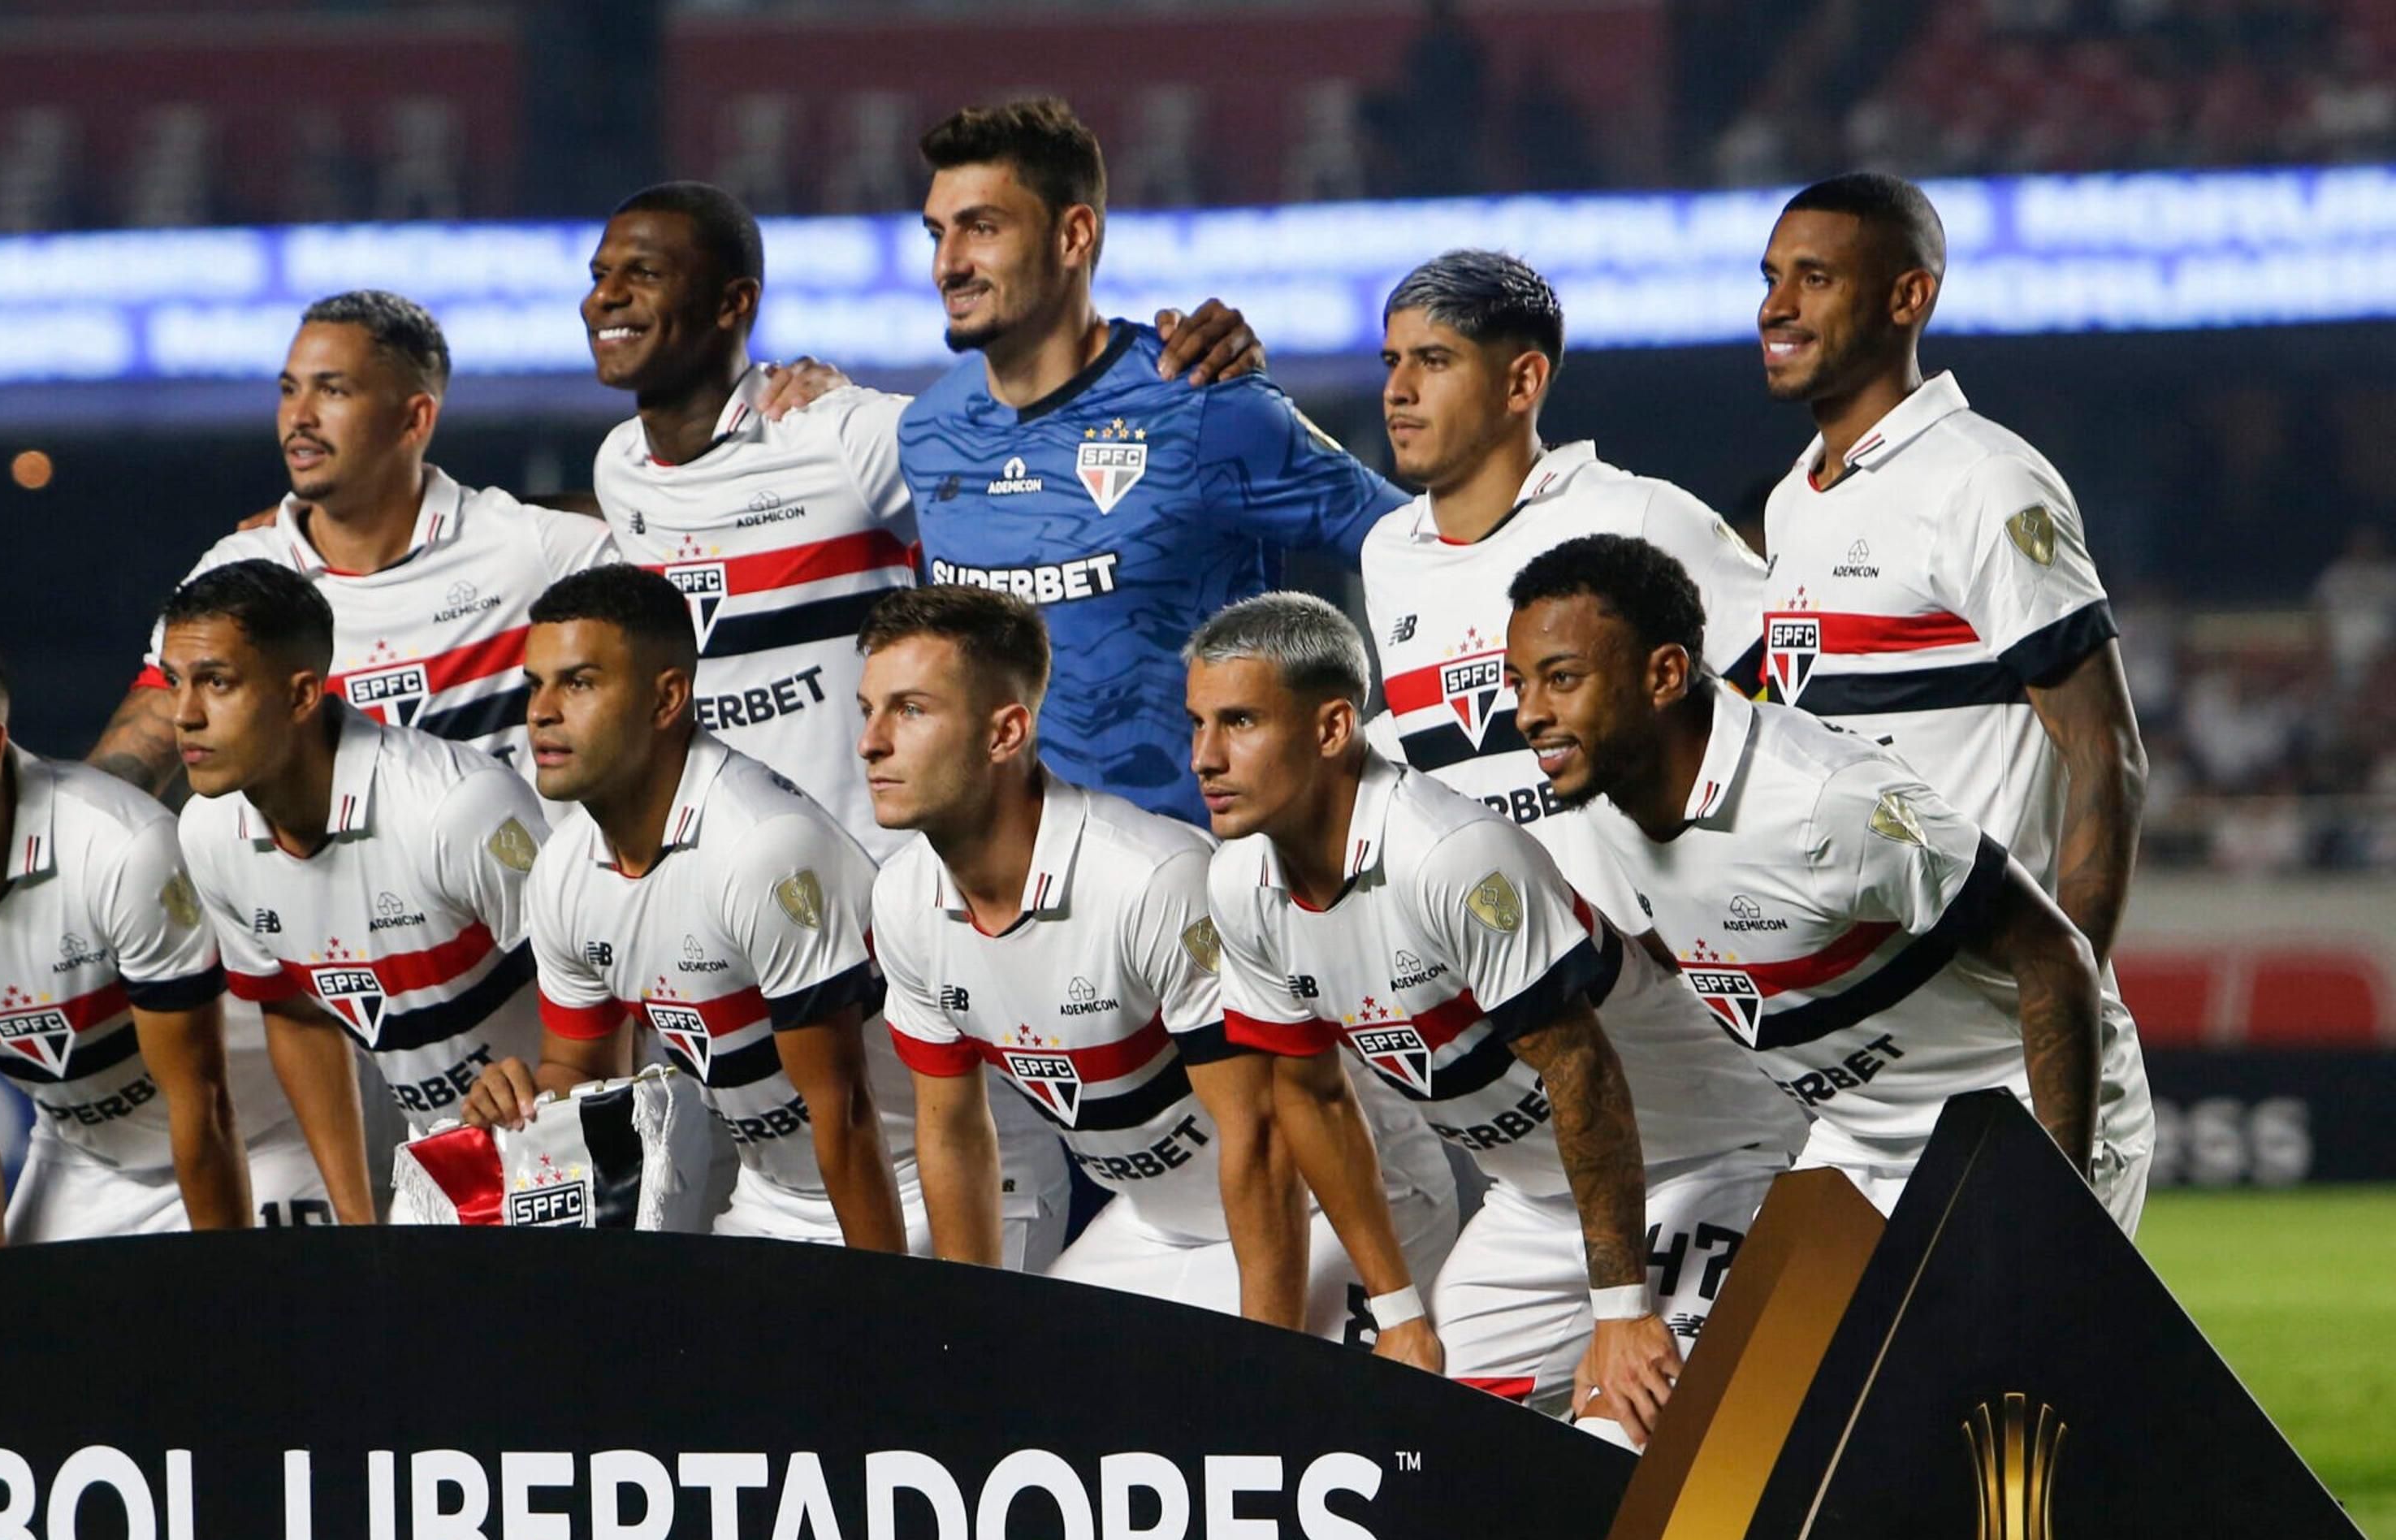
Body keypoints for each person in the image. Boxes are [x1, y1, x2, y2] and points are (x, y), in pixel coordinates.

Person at [1191, 592, 1803, 1442]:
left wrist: (1620, 1311)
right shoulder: (1238, 885)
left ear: (1333, 728)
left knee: (1625, 1436)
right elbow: (1312, 1095)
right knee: (1421, 1454)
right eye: (1198, 725)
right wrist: (1400, 1310)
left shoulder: (1445, 855)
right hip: (1533, 1208)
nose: (1206, 758)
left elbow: (1579, 1070)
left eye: (1240, 722)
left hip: (1709, 1160)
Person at [584, 177, 1266, 855]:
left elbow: (1029, 450)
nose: (605, 296)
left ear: (735, 303)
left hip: (878, 886)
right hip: (721, 889)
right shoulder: (618, 469)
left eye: (642, 273)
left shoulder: (839, 438)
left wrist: (1183, 382)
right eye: (600, 274)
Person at [858, 585, 1457, 1333]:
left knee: (1253, 1432)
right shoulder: (902, 898)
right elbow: (953, 1131)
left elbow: (1263, 1132)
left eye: (910, 710)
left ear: (1005, 732)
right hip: (1156, 1228)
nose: (871, 742)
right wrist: (969, 1333)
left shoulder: (1151, 879)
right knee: (1030, 1413)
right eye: (868, 710)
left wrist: (1267, 1366)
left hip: (1335, 1207)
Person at [1514, 533, 2143, 1229]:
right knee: (1776, 1343)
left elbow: (2057, 959)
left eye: (1561, 678)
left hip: (2015, 1115)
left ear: (1664, 675)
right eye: (1520, 684)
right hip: (1852, 1143)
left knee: (2002, 1335)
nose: (1528, 713)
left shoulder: (1829, 803)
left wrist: (2059, 1206)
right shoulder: (1609, 808)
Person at [1751, 171, 2154, 1221]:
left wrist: (2069, 1007)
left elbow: (2107, 757)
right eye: (1771, 278)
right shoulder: (1799, 500)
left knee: (2032, 1388)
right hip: (1867, 1072)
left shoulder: (1982, 482)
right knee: (1789, 1383)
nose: (1776, 307)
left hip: (2006, 1057)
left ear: (1906, 299)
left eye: (1816, 278)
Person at [468, 565, 1066, 1262]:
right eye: (534, 684)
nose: (541, 711)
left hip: (928, 1183)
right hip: (771, 1195)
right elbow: (586, 1080)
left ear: (667, 698)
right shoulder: (563, 869)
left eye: (579, 682)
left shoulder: (762, 847)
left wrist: (892, 1305)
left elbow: (847, 1117)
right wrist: (519, 1100)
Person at [897, 97, 1409, 825]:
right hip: (1005, 912)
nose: (948, 264)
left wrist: (1402, 755)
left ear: (1074, 235)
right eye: (937, 233)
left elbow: (1422, 553)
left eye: (982, 228)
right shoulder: (925, 431)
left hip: (1200, 899)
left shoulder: (1203, 403)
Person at [0, 615, 306, 1246]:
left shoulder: (118, 849)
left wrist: (222, 1279)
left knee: (249, 1338)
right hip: (87, 1163)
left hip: (259, 1137)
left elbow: (203, 1102)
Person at [1363, 249, 1767, 918]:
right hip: (1511, 985)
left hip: (1679, 990)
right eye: (1392, 362)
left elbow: (1792, 702)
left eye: (1433, 361)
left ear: (1522, 382)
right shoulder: (1388, 554)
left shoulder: (1639, 515)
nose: (1398, 389)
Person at [89, 290, 618, 799]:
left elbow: (668, 520)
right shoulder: (242, 570)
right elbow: (142, 741)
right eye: (289, 389)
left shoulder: (533, 549)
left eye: (333, 390)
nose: (299, 417)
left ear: (415, 418)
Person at [162, 561, 551, 1225]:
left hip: (585, 1133)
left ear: (302, 695)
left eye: (216, 683)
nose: (183, 715)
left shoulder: (454, 808)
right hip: (443, 1163)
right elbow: (297, 1014)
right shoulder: (206, 833)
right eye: (174, 683)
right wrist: (356, 1218)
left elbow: (605, 980)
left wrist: (556, 1102)